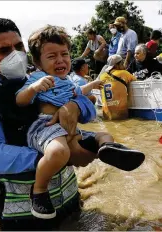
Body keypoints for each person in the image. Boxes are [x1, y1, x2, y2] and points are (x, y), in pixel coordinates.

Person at [0, 18, 98, 231]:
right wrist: (59, 155)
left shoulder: (39, 79)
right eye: (3, 50)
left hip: (70, 200)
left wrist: (74, 106)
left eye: (18, 47)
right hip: (24, 216)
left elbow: (86, 103)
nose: (15, 55)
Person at [16, 25, 145, 219]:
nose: (60, 60)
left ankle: (108, 149)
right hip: (45, 127)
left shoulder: (68, 81)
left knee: (104, 135)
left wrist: (91, 85)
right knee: (59, 151)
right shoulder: (37, 77)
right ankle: (39, 190)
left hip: (68, 127)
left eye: (64, 54)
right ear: (37, 62)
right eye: (52, 56)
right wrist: (33, 88)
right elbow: (20, 99)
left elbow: (79, 94)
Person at [100, 54, 137, 120]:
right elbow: (136, 81)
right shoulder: (124, 73)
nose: (124, 65)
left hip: (106, 114)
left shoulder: (102, 76)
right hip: (120, 114)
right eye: (122, 63)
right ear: (116, 65)